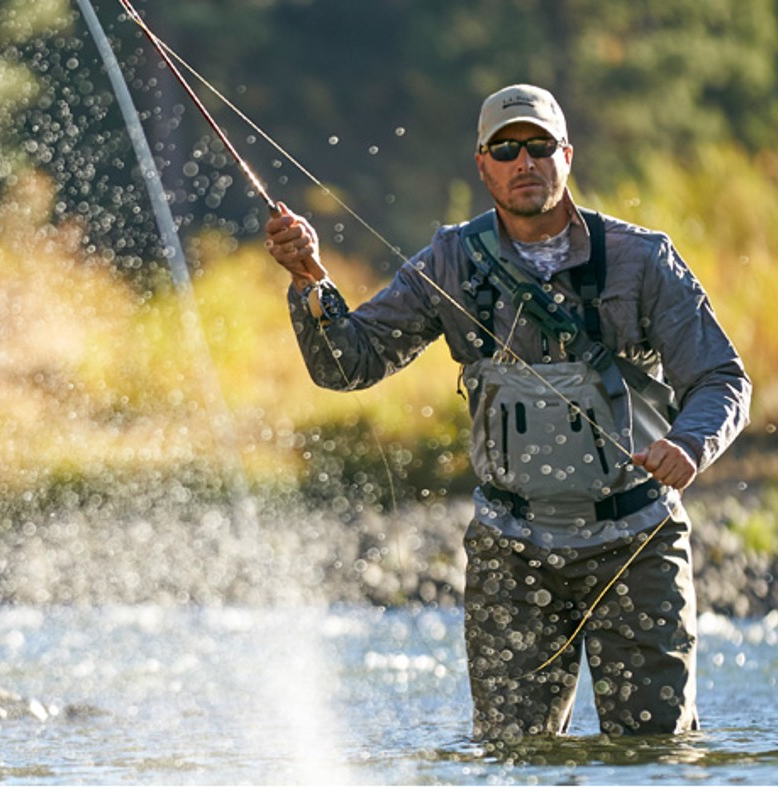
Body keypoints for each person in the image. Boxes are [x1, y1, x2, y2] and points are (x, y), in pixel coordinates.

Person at [265, 84, 750, 742]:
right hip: (512, 554)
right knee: (511, 760)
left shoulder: (643, 259)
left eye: (540, 146)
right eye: (506, 148)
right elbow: (348, 364)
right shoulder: (451, 262)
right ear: (483, 164)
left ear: (567, 156)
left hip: (636, 544)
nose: (525, 161)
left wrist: (692, 445)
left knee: (654, 754)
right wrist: (308, 282)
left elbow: (721, 378)